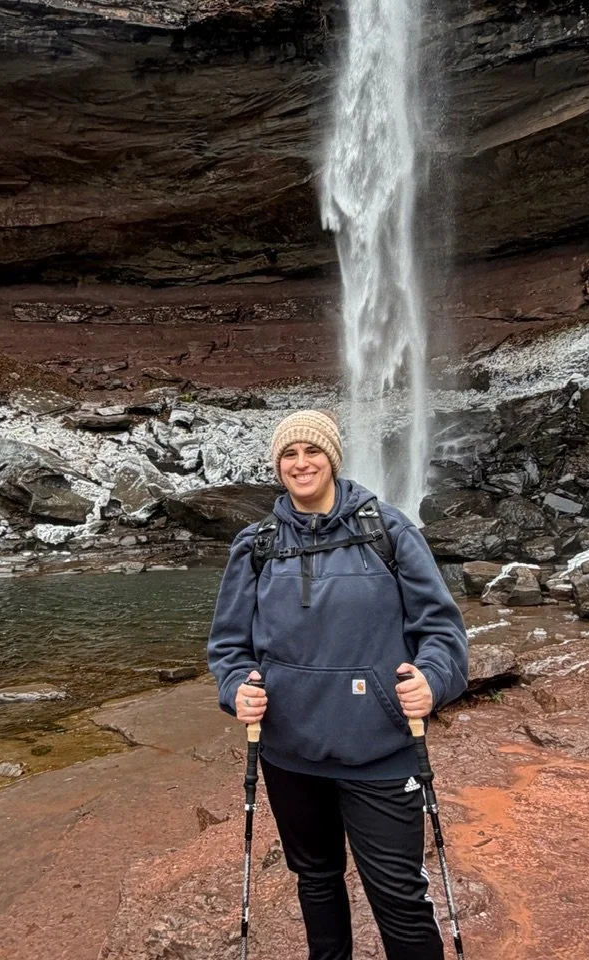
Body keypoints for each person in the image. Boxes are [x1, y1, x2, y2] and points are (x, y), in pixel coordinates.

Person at [207, 408, 469, 960]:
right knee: (317, 881)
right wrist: (236, 691)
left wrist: (434, 681)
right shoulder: (255, 546)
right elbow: (229, 647)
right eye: (289, 454)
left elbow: (441, 632)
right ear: (278, 467)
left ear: (333, 457)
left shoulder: (389, 532)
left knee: (400, 895)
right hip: (290, 753)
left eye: (312, 451)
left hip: (379, 750)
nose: (301, 463)